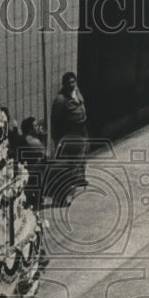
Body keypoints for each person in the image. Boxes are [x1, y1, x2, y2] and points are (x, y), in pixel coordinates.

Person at [50, 71, 89, 204]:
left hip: (81, 130)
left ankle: (78, 179)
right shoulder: (61, 99)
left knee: (81, 157)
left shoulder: (77, 93)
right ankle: (65, 191)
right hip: (70, 133)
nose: (71, 85)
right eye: (69, 83)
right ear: (64, 84)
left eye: (73, 82)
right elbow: (55, 121)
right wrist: (57, 140)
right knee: (70, 163)